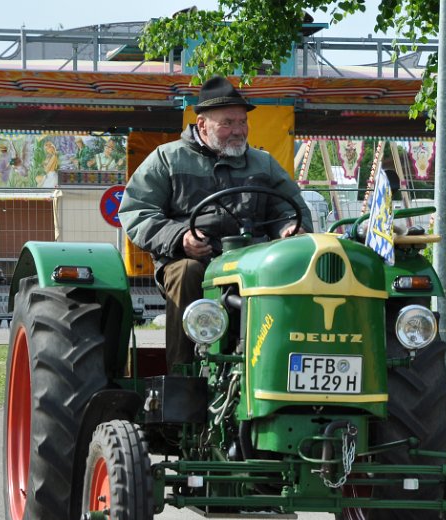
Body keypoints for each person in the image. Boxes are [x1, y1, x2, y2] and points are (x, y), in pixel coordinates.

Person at [119, 75, 313, 371]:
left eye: (242, 122)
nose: (238, 131)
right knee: (187, 272)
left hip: (254, 261)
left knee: (292, 270)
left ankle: (286, 368)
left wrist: (288, 229)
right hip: (195, 260)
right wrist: (181, 237)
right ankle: (183, 376)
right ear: (202, 125)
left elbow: (290, 208)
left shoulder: (264, 163)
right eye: (228, 123)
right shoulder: (167, 159)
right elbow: (136, 212)